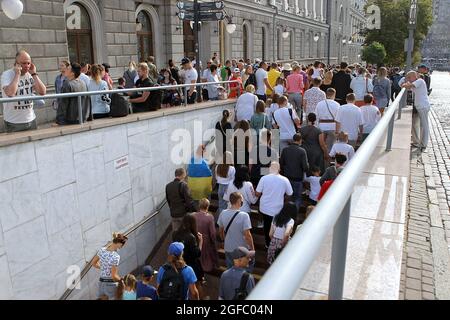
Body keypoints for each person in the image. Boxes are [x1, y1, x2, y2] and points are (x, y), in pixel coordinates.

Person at [1, 50, 46, 132]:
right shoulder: (7, 75)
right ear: (16, 64)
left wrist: (34, 74)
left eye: (29, 63)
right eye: (23, 63)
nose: (27, 66)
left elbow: (42, 92)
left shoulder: (30, 75)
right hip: (14, 122)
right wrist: (17, 74)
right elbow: (10, 93)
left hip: (31, 119)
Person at [256, 162, 294, 248]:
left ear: (269, 168)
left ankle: (268, 243)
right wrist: (283, 198)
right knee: (277, 227)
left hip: (264, 208)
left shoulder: (264, 178)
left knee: (266, 225)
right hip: (278, 208)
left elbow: (257, 193)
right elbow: (290, 193)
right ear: (279, 169)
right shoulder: (285, 180)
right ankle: (276, 244)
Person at [218, 192, 255, 268]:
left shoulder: (223, 213)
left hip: (228, 247)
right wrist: (252, 248)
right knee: (242, 271)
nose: (242, 201)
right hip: (241, 249)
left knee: (230, 268)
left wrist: (223, 240)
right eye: (241, 200)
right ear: (238, 201)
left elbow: (220, 230)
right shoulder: (244, 216)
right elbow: (247, 235)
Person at [172, 214, 204, 299]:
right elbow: (197, 254)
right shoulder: (191, 237)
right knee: (197, 284)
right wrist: (200, 242)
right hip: (192, 264)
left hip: (178, 263)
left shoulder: (175, 233)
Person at [91, 233, 128, 300]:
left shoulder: (102, 250)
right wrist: (121, 281)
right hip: (110, 284)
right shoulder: (116, 256)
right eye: (122, 245)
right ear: (119, 243)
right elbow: (114, 276)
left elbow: (93, 263)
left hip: (101, 283)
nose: (121, 247)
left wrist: (102, 267)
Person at [402, 71, 430, 151]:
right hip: (420, 106)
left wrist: (406, 83)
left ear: (414, 76)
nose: (409, 79)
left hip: (423, 106)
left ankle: (423, 144)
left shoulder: (419, 81)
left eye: (409, 78)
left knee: (424, 126)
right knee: (422, 125)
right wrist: (406, 83)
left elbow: (408, 85)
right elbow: (404, 86)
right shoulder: (416, 83)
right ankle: (421, 143)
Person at [280, 133, 309, 211]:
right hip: (298, 178)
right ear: (300, 140)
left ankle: (285, 214)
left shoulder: (285, 150)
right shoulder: (302, 151)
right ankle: (294, 216)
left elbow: (281, 164)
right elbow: (305, 167)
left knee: (287, 197)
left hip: (286, 177)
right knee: (297, 198)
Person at [193, 199, 218, 273]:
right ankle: (206, 268)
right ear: (207, 206)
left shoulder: (194, 215)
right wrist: (213, 240)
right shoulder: (209, 217)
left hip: (196, 238)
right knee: (206, 255)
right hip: (206, 239)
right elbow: (212, 232)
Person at [315, 88, 340, 152]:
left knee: (321, 145)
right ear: (334, 95)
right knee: (330, 146)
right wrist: (338, 131)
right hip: (332, 126)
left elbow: (316, 116)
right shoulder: (337, 104)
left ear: (326, 94)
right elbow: (338, 118)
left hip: (321, 126)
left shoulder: (319, 104)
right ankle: (329, 159)